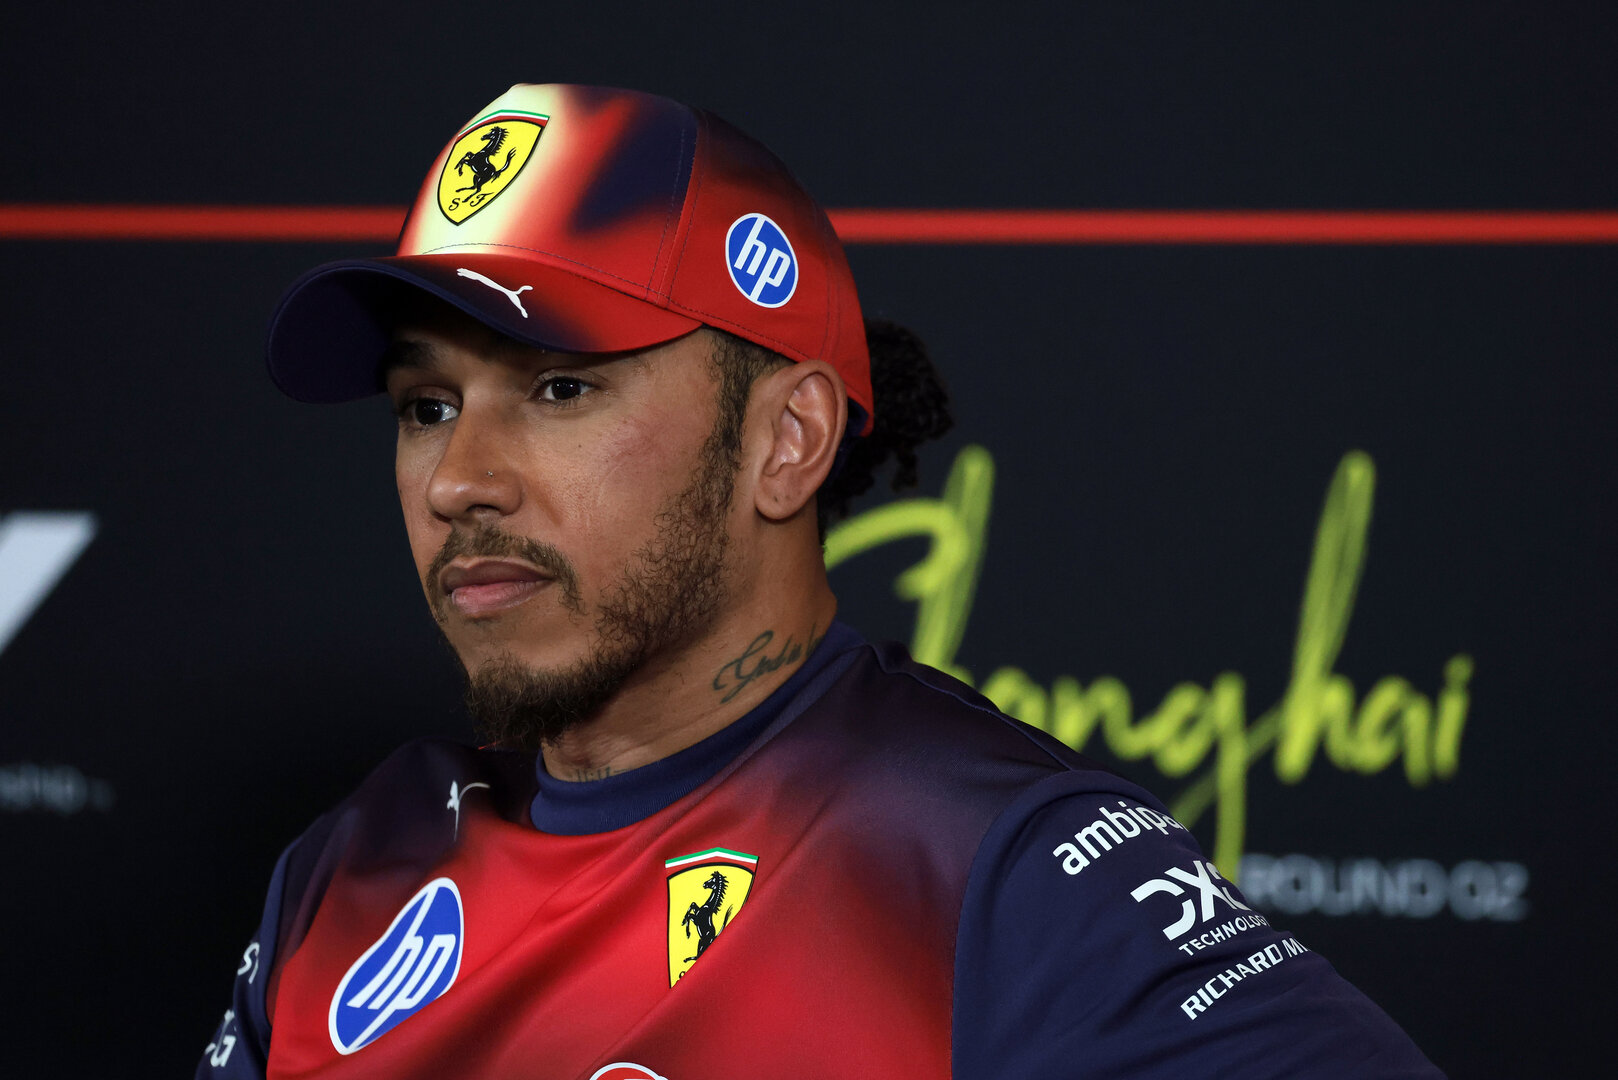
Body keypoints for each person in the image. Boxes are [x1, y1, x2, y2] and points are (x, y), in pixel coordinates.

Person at [197, 83, 1441, 1079]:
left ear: (783, 440)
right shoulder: (350, 866)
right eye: (425, 405)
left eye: (558, 387)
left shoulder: (997, 869)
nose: (458, 478)